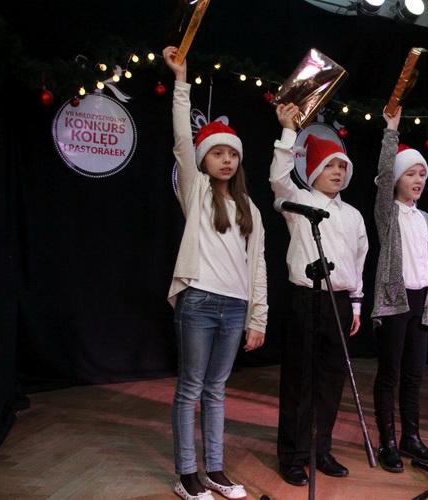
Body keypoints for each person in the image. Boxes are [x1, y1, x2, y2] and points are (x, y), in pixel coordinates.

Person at [164, 46, 268, 500]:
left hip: (235, 305)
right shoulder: (197, 192)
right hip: (199, 300)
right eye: (217, 153)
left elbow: (258, 265)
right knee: (191, 387)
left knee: (217, 389)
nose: (226, 160)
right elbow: (180, 141)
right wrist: (181, 80)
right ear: (204, 159)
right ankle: (187, 473)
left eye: (232, 154)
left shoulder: (250, 209)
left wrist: (258, 317)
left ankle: (215, 469)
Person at [270, 104, 368, 486]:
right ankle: (293, 456)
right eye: (330, 166)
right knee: (300, 381)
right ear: (314, 171)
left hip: (339, 302)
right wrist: (287, 133)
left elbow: (359, 259)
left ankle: (320, 449)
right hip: (305, 299)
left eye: (343, 167)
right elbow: (278, 178)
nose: (338, 172)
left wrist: (356, 302)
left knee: (331, 381)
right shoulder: (298, 202)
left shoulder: (353, 215)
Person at [371, 107, 428, 473]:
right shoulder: (389, 212)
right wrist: (391, 132)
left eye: (422, 174)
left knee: (415, 374)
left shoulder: (426, 219)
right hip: (395, 303)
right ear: (398, 178)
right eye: (411, 173)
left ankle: (411, 436)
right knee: (390, 373)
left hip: (420, 301)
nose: (418, 180)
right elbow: (383, 177)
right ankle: (388, 441)